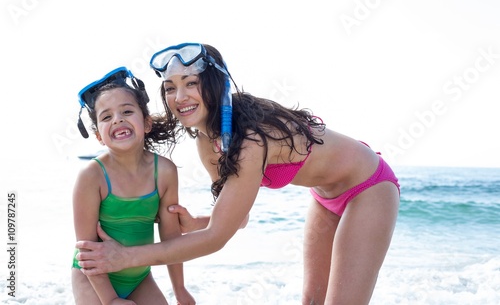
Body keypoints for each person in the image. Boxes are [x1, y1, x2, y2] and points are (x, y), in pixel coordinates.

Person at [76, 44, 400, 304]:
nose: (180, 97)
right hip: (324, 195)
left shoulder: (249, 139)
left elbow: (218, 238)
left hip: (368, 187)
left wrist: (124, 258)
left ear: (214, 85)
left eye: (191, 83)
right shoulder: (209, 143)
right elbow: (236, 219)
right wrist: (199, 223)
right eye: (171, 87)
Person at [72, 67, 195, 305]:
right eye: (106, 117)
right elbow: (86, 250)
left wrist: (179, 289)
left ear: (146, 123)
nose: (117, 119)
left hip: (139, 276)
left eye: (127, 111)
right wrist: (110, 300)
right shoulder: (92, 176)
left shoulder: (165, 172)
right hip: (93, 279)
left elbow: (171, 237)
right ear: (99, 136)